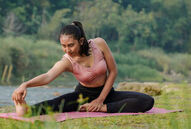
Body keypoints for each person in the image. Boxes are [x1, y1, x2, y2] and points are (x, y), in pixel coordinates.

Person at [12, 21, 154, 117]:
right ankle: (26, 109)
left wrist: (100, 101)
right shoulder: (66, 61)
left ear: (81, 41)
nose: (67, 50)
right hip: (81, 97)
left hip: (107, 95)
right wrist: (25, 85)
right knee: (56, 104)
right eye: (63, 45)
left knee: (147, 101)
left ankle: (103, 108)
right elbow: (48, 76)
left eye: (71, 45)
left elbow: (113, 72)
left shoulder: (99, 44)